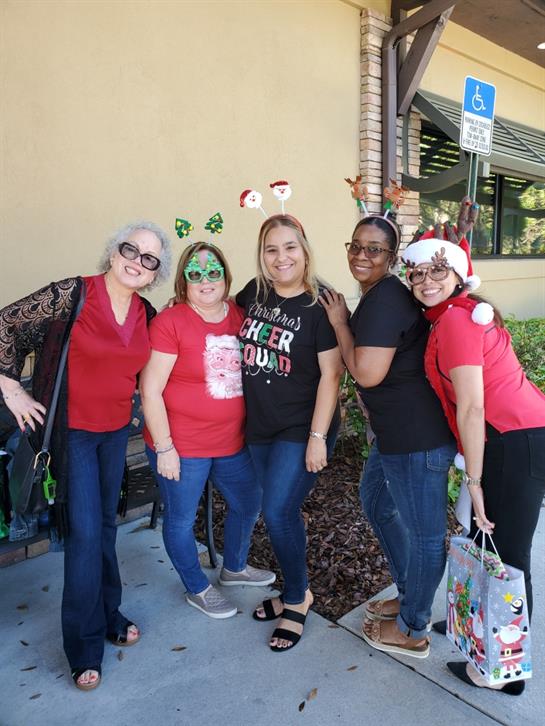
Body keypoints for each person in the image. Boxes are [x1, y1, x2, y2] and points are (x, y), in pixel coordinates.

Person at [0, 221, 172, 691]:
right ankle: (83, 645)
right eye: (130, 250)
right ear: (113, 252)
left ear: (155, 273)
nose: (136, 261)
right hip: (72, 434)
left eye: (149, 258)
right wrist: (11, 388)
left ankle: (110, 613)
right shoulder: (73, 294)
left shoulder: (148, 312)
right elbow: (4, 322)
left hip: (115, 434)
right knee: (83, 535)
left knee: (105, 528)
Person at [403, 215, 545, 694]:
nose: (426, 281)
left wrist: (475, 482)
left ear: (459, 275)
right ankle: (473, 625)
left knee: (508, 555)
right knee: (481, 544)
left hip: (514, 441)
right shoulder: (451, 316)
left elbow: (472, 405)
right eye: (418, 273)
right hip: (510, 438)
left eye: (438, 271)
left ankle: (503, 673)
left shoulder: (459, 321)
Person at [320, 214, 456, 658]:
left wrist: (340, 322)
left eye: (374, 249)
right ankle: (410, 593)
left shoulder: (383, 301)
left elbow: (367, 373)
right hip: (395, 435)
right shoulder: (382, 295)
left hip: (417, 438)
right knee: (376, 502)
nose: (362, 255)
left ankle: (414, 627)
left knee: (426, 536)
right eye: (355, 245)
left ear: (392, 257)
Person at [140, 242, 274, 620]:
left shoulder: (241, 316)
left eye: (213, 271)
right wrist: (165, 448)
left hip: (232, 441)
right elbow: (149, 390)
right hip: (182, 445)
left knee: (249, 501)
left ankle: (234, 567)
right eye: (194, 273)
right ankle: (197, 587)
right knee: (181, 519)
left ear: (226, 277)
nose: (205, 280)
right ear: (183, 282)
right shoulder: (169, 322)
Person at [237, 214, 344, 652]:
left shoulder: (322, 304)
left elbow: (331, 376)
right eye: (271, 249)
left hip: (302, 427)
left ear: (304, 249)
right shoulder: (254, 292)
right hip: (259, 425)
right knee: (277, 509)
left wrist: (318, 436)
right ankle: (292, 591)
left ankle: (297, 600)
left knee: (279, 510)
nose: (281, 258)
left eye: (289, 247)